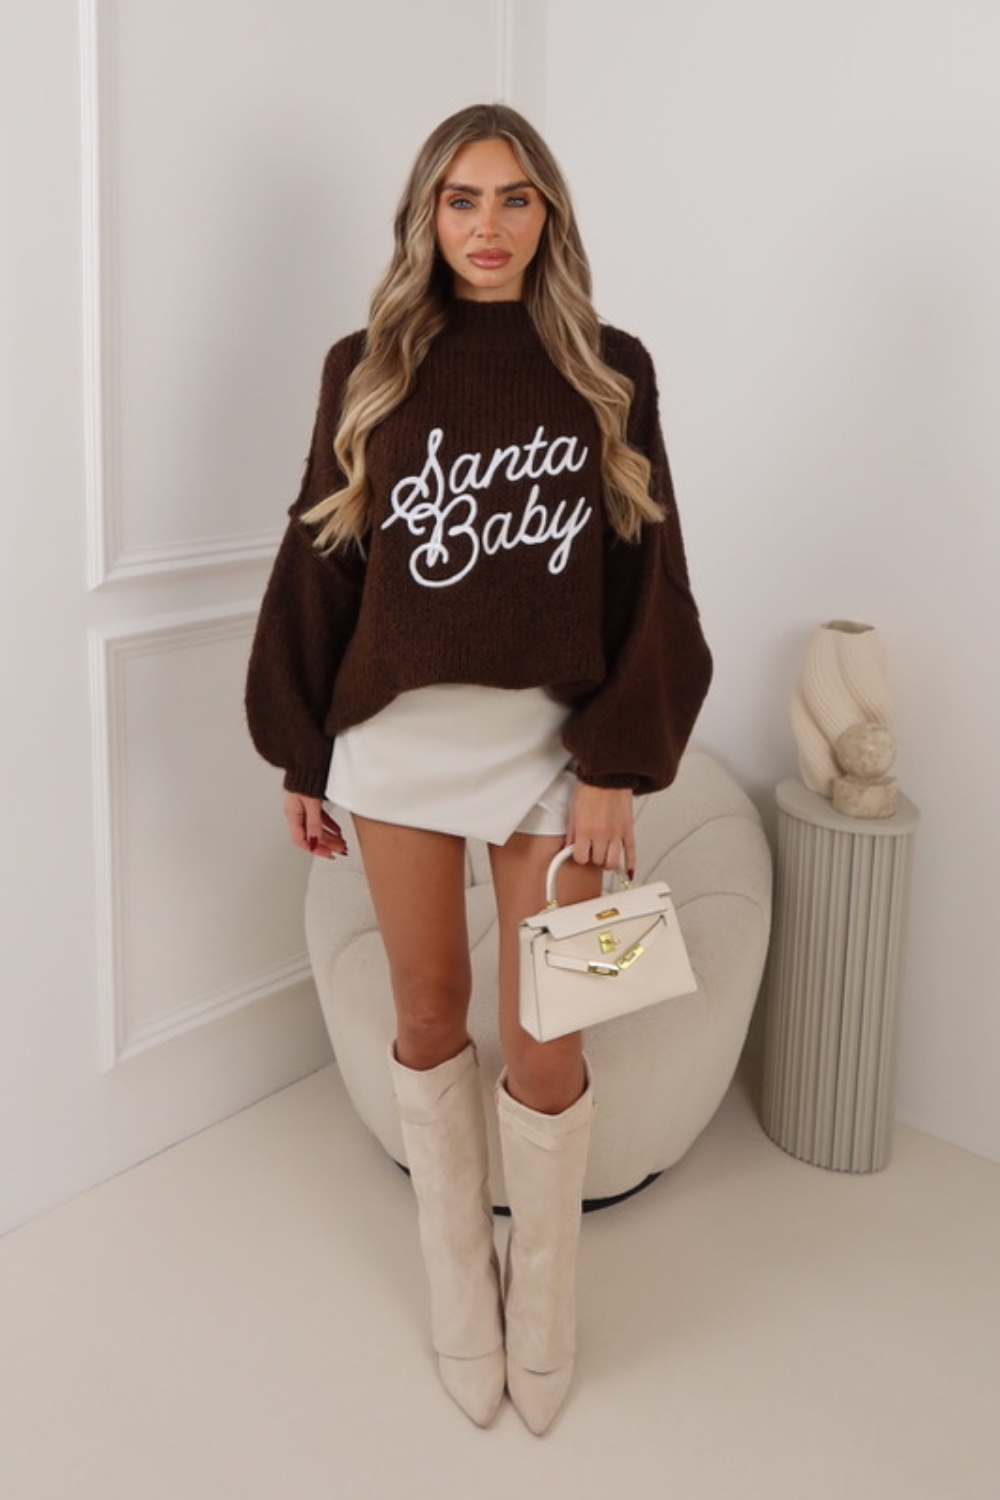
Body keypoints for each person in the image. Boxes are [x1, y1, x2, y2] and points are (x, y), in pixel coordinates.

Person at [245, 102, 712, 1434]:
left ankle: (545, 1302)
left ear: (547, 214)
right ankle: (464, 1287)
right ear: (426, 218)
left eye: (514, 198)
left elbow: (651, 575)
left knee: (551, 1040)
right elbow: (322, 558)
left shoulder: (611, 368)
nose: (488, 225)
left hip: (554, 747)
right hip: (398, 742)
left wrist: (617, 764)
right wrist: (301, 748)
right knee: (431, 1011)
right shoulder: (366, 366)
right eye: (462, 199)